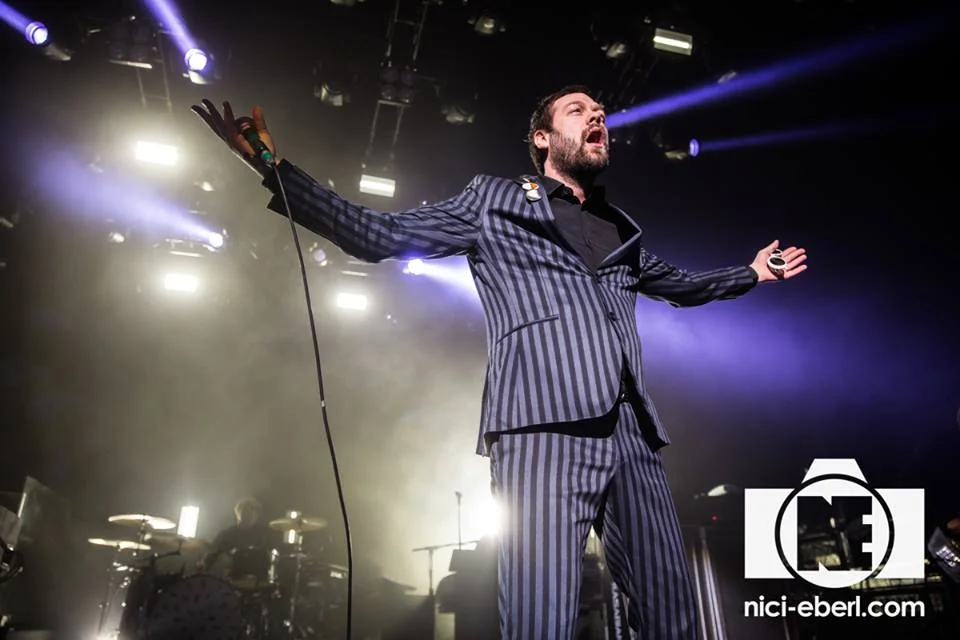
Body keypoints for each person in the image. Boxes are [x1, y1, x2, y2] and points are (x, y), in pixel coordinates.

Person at [192, 86, 807, 640]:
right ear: (542, 138)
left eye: (601, 111)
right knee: (542, 616)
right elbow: (374, 233)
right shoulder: (493, 199)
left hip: (632, 432)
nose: (597, 116)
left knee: (672, 614)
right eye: (579, 110)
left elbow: (681, 284)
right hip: (540, 428)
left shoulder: (620, 227)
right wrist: (270, 166)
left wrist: (751, 273)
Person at [199, 496, 276, 583]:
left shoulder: (264, 533)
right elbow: (212, 554)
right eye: (246, 510)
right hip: (232, 580)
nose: (251, 513)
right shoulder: (226, 534)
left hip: (260, 579)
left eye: (254, 510)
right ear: (238, 513)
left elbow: (275, 553)